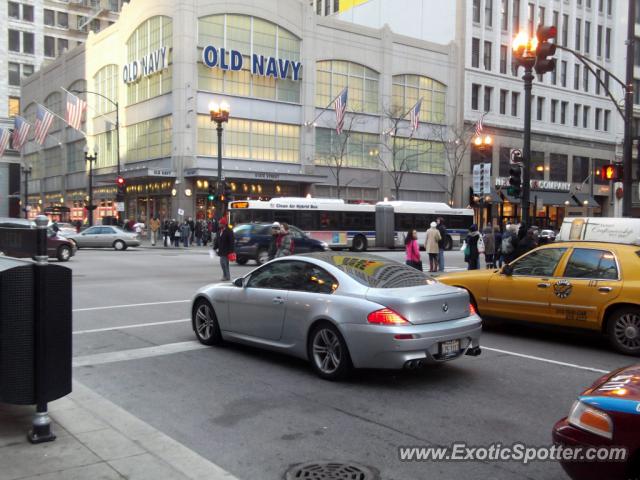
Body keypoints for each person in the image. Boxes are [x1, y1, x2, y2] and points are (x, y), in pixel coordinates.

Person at [214, 217, 235, 281]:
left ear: (224, 224)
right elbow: (218, 241)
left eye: (220, 223)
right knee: (223, 264)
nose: (219, 224)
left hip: (226, 251)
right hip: (221, 250)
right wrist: (215, 248)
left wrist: (231, 251)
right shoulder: (220, 231)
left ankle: (226, 276)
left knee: (224, 264)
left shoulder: (229, 231)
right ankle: (226, 276)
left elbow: (232, 241)